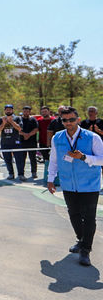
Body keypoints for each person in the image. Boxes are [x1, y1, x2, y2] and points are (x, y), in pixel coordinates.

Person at [48, 106, 103, 266]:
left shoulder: (92, 137)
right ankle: (81, 240)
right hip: (68, 184)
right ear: (61, 121)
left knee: (89, 218)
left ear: (78, 119)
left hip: (89, 184)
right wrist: (51, 179)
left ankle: (86, 250)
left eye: (72, 119)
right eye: (65, 120)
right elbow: (54, 160)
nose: (68, 123)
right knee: (74, 214)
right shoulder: (57, 138)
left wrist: (84, 157)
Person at [0, 104, 25, 180]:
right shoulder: (1, 119)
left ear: (12, 110)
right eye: (7, 109)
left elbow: (19, 129)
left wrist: (11, 121)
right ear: (5, 110)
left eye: (10, 109)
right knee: (7, 160)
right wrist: (4, 123)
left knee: (19, 159)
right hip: (5, 142)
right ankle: (11, 174)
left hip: (16, 142)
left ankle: (21, 174)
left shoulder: (17, 118)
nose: (8, 110)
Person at [18, 105, 39, 179]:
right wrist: (24, 134)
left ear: (30, 112)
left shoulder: (33, 120)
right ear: (22, 111)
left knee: (33, 158)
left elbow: (36, 129)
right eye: (24, 111)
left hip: (32, 142)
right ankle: (21, 174)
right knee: (21, 159)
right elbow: (17, 129)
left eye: (27, 111)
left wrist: (29, 135)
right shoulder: (19, 119)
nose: (26, 112)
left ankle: (34, 172)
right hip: (22, 142)